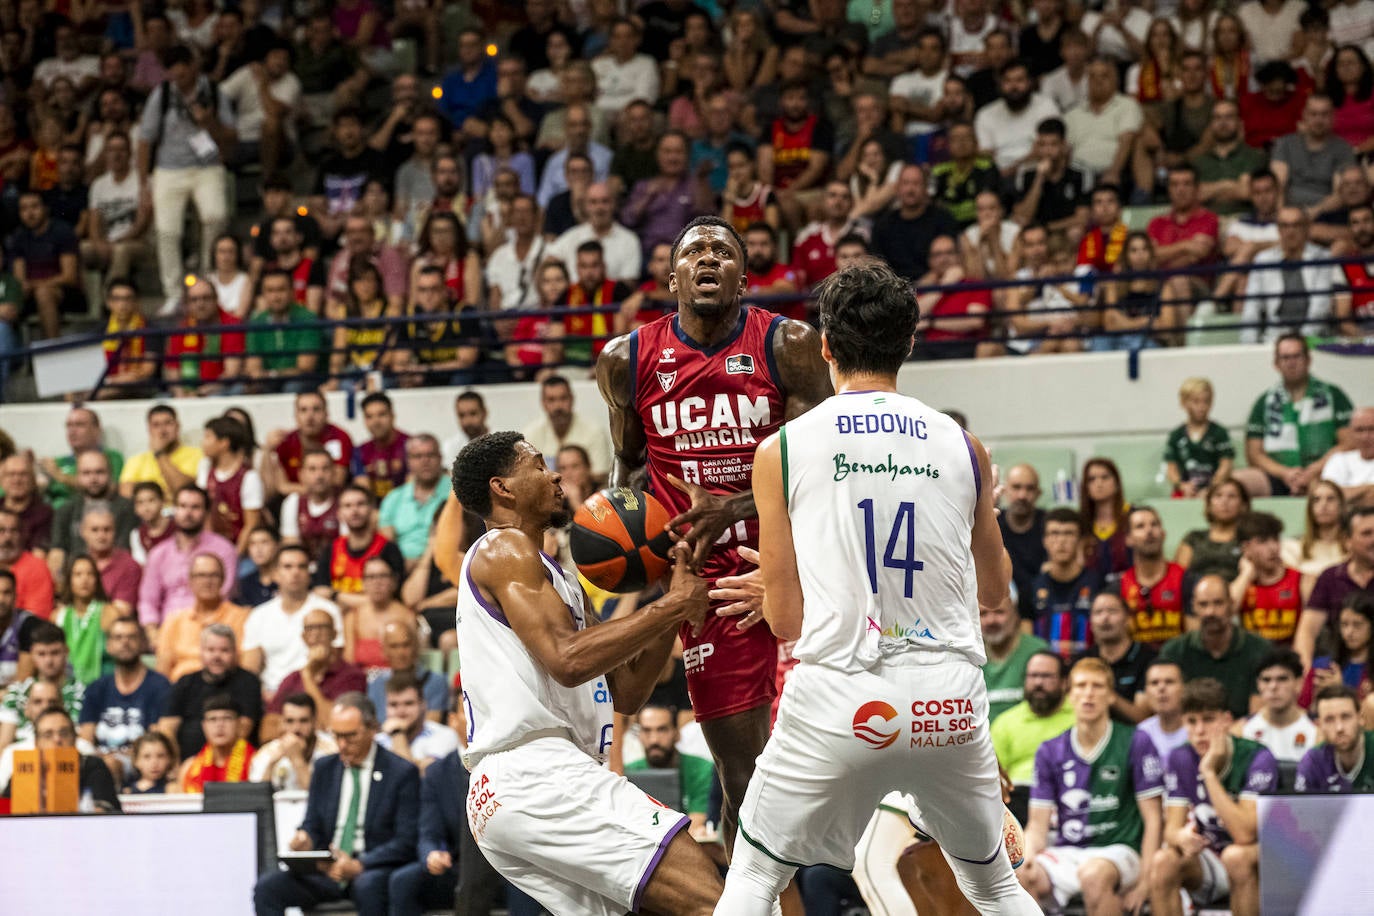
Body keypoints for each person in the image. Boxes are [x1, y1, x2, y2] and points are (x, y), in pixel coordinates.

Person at [713, 259, 1038, 916]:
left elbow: (783, 621)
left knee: (753, 877)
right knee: (996, 887)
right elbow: (997, 591)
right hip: (947, 696)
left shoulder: (781, 449)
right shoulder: (963, 446)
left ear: (826, 346)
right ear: (910, 343)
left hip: (843, 691)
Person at [595, 215, 832, 856]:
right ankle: (744, 890)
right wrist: (632, 552)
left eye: (721, 252)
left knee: (824, 765)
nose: (707, 259)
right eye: (693, 251)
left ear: (743, 277)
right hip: (701, 578)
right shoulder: (627, 359)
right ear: (671, 276)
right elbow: (627, 471)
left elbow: (818, 470)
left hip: (779, 560)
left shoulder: (790, 346)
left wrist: (732, 506)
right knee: (741, 772)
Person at [438, 429, 723, 914]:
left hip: (509, 791)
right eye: (537, 465)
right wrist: (672, 604)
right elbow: (567, 661)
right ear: (502, 487)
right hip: (537, 772)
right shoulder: (504, 548)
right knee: (716, 901)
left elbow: (629, 691)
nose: (554, 475)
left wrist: (670, 604)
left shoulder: (558, 577)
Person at [1018, 657, 1163, 914]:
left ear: (1110, 696)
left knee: (1093, 875)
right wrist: (1026, 856)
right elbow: (1038, 825)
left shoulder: (1136, 741)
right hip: (1069, 851)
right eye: (1081, 686)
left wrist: (1145, 882)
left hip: (1122, 851)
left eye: (1097, 686)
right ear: (1068, 694)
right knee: (1019, 877)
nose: (1088, 694)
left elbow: (1153, 819)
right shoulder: (1050, 750)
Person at [252, 693, 419, 916]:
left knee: (368, 886)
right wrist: (305, 838)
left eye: (350, 736)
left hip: (371, 868)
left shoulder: (400, 772)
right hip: (329, 869)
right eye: (337, 736)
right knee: (267, 887)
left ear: (372, 729)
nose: (341, 745)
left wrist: (360, 864)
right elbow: (312, 823)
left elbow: (406, 840)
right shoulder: (325, 768)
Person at [1151, 678, 1277, 916]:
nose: (1199, 731)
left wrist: (1208, 773)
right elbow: (1171, 830)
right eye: (1191, 721)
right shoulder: (1180, 757)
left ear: (1226, 720)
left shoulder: (1257, 757)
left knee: (1236, 856)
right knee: (1163, 861)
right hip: (1210, 861)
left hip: (1258, 861)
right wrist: (1181, 837)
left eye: (1208, 720)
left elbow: (1244, 834)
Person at [137, 44, 235, 310]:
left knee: (216, 217)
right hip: (169, 169)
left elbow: (231, 137)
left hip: (208, 166)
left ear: (194, 66)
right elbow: (145, 140)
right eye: (172, 74)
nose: (177, 79)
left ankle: (206, 282)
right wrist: (143, 183)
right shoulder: (163, 93)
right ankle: (173, 293)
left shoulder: (214, 91)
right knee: (167, 231)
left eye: (182, 72)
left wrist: (208, 123)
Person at [1233, 334, 1354, 498]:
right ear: (1276, 364)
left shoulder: (1333, 394)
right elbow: (1254, 454)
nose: (1291, 362)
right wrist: (1285, 473)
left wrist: (1314, 470)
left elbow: (1349, 442)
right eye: (1285, 357)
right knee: (1236, 482)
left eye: (1297, 356)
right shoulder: (1265, 402)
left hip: (1324, 473)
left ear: (1308, 360)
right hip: (1278, 476)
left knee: (1326, 488)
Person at [1160, 575, 1273, 719]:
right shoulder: (1174, 651)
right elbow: (1170, 710)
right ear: (1193, 607)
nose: (1210, 612)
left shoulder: (1259, 649)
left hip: (1243, 734)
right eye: (1203, 604)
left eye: (1218, 603)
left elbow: (1257, 716)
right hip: (1189, 733)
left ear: (1231, 604)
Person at [137, 485, 237, 645]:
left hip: (212, 632)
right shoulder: (159, 554)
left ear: (206, 512)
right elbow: (148, 600)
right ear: (174, 510)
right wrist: (153, 634)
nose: (188, 513)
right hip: (169, 634)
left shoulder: (223, 549)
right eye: (182, 506)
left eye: (195, 507)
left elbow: (224, 594)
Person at [242, 545, 344, 701]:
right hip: (272, 695)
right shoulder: (259, 615)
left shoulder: (328, 610)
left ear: (309, 573)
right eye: (288, 567)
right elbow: (250, 669)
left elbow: (337, 660)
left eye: (302, 566)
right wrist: (262, 694)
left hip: (317, 691)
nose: (295, 572)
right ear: (276, 574)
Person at [77, 617, 169, 779]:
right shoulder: (96, 688)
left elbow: (157, 741)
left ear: (143, 643)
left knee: (108, 766)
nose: (125, 643)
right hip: (100, 761)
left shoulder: (159, 686)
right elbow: (86, 739)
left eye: (131, 637)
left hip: (142, 763)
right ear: (109, 646)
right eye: (118, 638)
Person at [157, 623, 262, 760]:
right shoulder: (185, 682)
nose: (217, 656)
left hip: (233, 762)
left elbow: (243, 729)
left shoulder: (248, 682)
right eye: (211, 650)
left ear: (235, 653)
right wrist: (175, 765)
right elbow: (167, 729)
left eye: (224, 650)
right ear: (201, 652)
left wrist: (210, 762)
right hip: (187, 763)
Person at [1240, 206, 1334, 343]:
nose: (1290, 231)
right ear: (1278, 229)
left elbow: (1320, 308)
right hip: (1275, 338)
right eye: (1285, 226)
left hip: (1314, 338)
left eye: (1296, 225)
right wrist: (1248, 345)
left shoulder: (1322, 257)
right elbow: (1252, 307)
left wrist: (1301, 342)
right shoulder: (1263, 260)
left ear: (1306, 228)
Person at [1299, 505, 1374, 670]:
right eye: (1366, 533)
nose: (1373, 539)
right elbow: (1308, 630)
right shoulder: (1330, 577)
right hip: (1339, 667)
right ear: (1347, 540)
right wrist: (1305, 673)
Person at [267, 609, 365, 733]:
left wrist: (308, 676)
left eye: (322, 628)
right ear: (303, 637)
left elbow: (334, 724)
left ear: (334, 634)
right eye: (310, 629)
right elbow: (267, 731)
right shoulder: (292, 679)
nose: (316, 634)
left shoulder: (352, 676)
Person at [310, 486, 403, 616]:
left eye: (360, 504)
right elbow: (320, 593)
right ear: (339, 514)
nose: (354, 511)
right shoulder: (331, 549)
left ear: (372, 510)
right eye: (347, 506)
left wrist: (336, 595)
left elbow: (389, 601)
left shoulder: (388, 549)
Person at [625, 702, 714, 836]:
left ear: (676, 733)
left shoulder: (702, 769)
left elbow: (696, 824)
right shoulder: (629, 774)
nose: (654, 739)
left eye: (662, 730)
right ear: (639, 735)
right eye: (647, 730)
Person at [156, 553, 247, 682]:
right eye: (201, 575)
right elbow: (162, 672)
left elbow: (243, 665)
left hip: (224, 691)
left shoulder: (241, 617)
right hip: (181, 692)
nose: (207, 581)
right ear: (190, 581)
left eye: (213, 575)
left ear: (223, 579)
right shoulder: (174, 621)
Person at [991, 651, 1077, 786]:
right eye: (1033, 675)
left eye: (1046, 676)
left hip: (1067, 791)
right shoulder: (1005, 722)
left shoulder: (1080, 718)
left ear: (1064, 682)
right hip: (1018, 795)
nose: (1038, 682)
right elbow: (993, 774)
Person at [9, 708, 120, 811]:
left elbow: (105, 813)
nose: (57, 739)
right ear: (36, 743)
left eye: (64, 733)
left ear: (75, 738)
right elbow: (5, 810)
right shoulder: (25, 769)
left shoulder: (92, 766)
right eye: (48, 734)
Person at [47, 451, 136, 579]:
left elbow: (125, 551)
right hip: (75, 580)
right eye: (86, 473)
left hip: (116, 577)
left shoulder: (127, 508)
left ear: (110, 474)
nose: (93, 479)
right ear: (77, 476)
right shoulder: (65, 510)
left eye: (99, 472)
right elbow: (57, 552)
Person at [1030, 507, 1103, 659]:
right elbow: (1026, 644)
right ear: (1044, 540)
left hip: (1088, 668)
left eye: (1069, 533)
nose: (1061, 541)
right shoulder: (1031, 589)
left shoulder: (1099, 585)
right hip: (1046, 672)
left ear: (1081, 540)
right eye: (1054, 533)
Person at [1111, 507, 1188, 649]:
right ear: (1128, 539)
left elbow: (1194, 640)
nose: (1149, 531)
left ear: (1163, 534)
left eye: (1154, 525)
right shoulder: (1118, 586)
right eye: (1140, 526)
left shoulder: (1185, 579)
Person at [0, 622, 84, 751]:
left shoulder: (81, 693)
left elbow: (82, 741)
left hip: (66, 757)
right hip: (22, 761)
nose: (49, 661)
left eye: (55, 653)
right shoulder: (16, 694)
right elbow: (3, 745)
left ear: (66, 652)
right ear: (32, 654)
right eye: (41, 654)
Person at [870, 164, 959, 280]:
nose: (910, 189)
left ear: (926, 188)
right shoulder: (883, 225)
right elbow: (877, 267)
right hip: (893, 290)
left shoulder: (943, 219)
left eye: (916, 184)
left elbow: (951, 260)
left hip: (937, 286)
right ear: (897, 188)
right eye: (905, 183)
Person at [975, 59, 1061, 177]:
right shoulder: (986, 114)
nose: (1014, 86)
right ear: (1000, 84)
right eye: (1008, 81)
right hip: (998, 178)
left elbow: (1049, 148)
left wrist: (1012, 169)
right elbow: (985, 155)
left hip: (1037, 174)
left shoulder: (1046, 106)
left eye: (1019, 80)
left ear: (1030, 82)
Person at [1078, 592, 1155, 723]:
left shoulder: (1148, 657)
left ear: (1127, 618)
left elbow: (1143, 718)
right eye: (1098, 612)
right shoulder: (1082, 661)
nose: (1105, 618)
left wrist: (1109, 696)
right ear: (1090, 622)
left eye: (1112, 611)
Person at [1232, 511, 1304, 646]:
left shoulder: (1300, 580)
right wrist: (1245, 575)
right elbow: (1225, 613)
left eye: (1276, 539)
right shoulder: (1240, 583)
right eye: (1263, 541)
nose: (1273, 548)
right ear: (1245, 548)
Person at [1271, 94, 1356, 210]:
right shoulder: (1285, 144)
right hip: (1288, 213)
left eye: (1324, 114)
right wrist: (1281, 217)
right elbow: (1277, 187)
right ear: (1304, 115)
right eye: (1313, 114)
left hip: (1326, 214)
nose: (1318, 120)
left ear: (1333, 117)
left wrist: (1310, 214)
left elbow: (1339, 195)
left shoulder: (1343, 149)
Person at [263, 391, 354, 497]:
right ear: (296, 416)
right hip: (293, 500)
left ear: (326, 414)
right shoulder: (285, 441)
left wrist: (288, 488)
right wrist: (267, 449)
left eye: (316, 409)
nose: (310, 416)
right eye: (303, 410)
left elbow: (336, 483)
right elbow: (271, 488)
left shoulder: (339, 437)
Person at [1238, 649, 1318, 762]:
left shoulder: (1318, 731)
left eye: (1282, 679)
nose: (1273, 686)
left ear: (1299, 683)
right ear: (1258, 685)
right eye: (1266, 680)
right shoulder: (1240, 732)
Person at [38, 407, 124, 510]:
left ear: (97, 430)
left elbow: (109, 489)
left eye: (79, 425)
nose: (72, 431)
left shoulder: (111, 457)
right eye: (69, 426)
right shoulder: (58, 462)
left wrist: (60, 476)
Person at [196, 416, 261, 552]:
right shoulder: (205, 470)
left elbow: (251, 525)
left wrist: (235, 556)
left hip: (242, 551)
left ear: (223, 443)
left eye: (208, 437)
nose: (203, 443)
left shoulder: (249, 478)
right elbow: (204, 514)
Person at [375, 671, 458, 776]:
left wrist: (398, 734)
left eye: (408, 703)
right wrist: (419, 763)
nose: (401, 711)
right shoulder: (377, 741)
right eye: (393, 705)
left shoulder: (445, 736)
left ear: (423, 705)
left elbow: (414, 777)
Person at [249, 691, 336, 790]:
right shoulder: (267, 753)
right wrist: (271, 765)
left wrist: (297, 759)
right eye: (290, 721)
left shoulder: (332, 751)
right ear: (282, 723)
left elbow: (320, 798)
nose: (296, 729)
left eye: (304, 721)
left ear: (315, 722)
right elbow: (257, 799)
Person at [1165, 377, 1235, 497]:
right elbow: (1171, 469)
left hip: (1213, 489)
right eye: (1196, 401)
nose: (1202, 407)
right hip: (1185, 488)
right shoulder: (1176, 435)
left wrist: (1212, 488)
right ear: (1184, 403)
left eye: (1206, 401)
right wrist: (1182, 485)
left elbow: (1226, 465)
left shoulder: (1219, 432)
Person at [983, 596, 1050, 722]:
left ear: (1016, 615)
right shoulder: (969, 656)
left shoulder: (1038, 652)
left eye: (999, 612)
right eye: (983, 614)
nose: (991, 620)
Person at [1295, 685, 1374, 792]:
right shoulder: (1314, 761)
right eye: (1329, 719)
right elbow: (1301, 807)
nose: (1339, 728)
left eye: (1345, 717)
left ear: (1360, 718)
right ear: (1319, 725)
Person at [53, 556, 116, 685]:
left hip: (104, 685)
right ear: (69, 579)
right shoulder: (57, 616)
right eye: (78, 574)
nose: (84, 580)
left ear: (97, 580)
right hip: (66, 688)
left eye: (90, 574)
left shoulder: (109, 613)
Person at [118, 405, 203, 500]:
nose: (162, 431)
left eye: (168, 423)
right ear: (149, 430)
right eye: (156, 425)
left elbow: (185, 492)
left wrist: (159, 454)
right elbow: (126, 494)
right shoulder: (135, 460)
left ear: (178, 426)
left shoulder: (198, 455)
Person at [366, 620, 446, 721]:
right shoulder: (375, 683)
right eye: (394, 646)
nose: (401, 652)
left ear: (416, 646)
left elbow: (432, 725)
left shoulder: (436, 682)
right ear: (383, 650)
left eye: (406, 645)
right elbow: (373, 724)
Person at [1175, 479, 1250, 582]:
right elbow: (1179, 577)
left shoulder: (1249, 539)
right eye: (1218, 496)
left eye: (1232, 496)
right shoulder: (1194, 538)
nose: (1225, 501)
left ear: (1243, 505)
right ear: (1209, 504)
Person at [997, 464, 1046, 622]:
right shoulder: (992, 525)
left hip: (1041, 612)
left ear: (1038, 493)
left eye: (1029, 489)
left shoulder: (1050, 527)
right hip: (999, 615)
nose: (1022, 495)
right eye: (1016, 487)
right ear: (1004, 490)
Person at [178, 693, 254, 792]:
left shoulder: (255, 762)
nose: (219, 725)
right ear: (204, 726)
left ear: (239, 724)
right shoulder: (189, 767)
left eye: (227, 718)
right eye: (212, 719)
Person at [278, 450, 341, 560]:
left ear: (334, 473)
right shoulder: (293, 502)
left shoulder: (345, 501)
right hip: (304, 570)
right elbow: (291, 546)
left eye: (325, 469)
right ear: (301, 474)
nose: (319, 475)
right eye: (312, 469)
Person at [350, 393, 409, 504]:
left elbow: (413, 490)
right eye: (369, 417)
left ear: (392, 416)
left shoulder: (410, 446)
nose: (376, 421)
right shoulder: (360, 451)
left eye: (381, 415)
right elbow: (363, 493)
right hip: (374, 512)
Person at [0, 510, 53, 618]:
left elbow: (36, 617)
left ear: (22, 534)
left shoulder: (37, 567)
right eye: (1, 530)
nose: (7, 537)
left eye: (14, 531)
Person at [1322, 406, 1374, 505]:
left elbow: (1335, 496)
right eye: (1360, 430)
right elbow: (1327, 495)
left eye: (1372, 429)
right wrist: (1369, 488)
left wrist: (1344, 494)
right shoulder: (1338, 460)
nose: (1365, 436)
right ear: (1351, 433)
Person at [1139, 660, 1190, 759]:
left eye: (1169, 682)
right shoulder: (1142, 733)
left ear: (1184, 688)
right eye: (1154, 683)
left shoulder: (1199, 731)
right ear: (1146, 691)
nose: (1161, 688)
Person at [0, 570, 39, 688]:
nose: (1, 599)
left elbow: (23, 683)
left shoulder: (27, 624)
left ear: (15, 596)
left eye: (7, 593)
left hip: (15, 700)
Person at [441, 390, 490, 467]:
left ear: (485, 413)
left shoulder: (502, 442)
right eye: (462, 415)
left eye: (473, 413)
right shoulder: (450, 446)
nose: (468, 421)